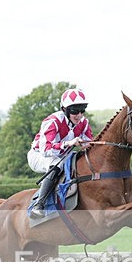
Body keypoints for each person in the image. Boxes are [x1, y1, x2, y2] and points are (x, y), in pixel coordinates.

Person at [27, 87, 94, 219]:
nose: (79, 115)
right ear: (65, 110)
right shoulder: (52, 121)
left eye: (82, 110)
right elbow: (46, 150)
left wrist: (88, 145)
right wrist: (69, 143)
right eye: (75, 111)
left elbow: (88, 142)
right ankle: (39, 205)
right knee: (56, 164)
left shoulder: (84, 123)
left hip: (63, 155)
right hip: (38, 155)